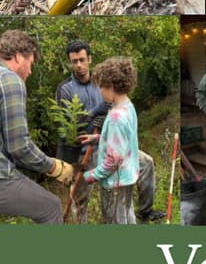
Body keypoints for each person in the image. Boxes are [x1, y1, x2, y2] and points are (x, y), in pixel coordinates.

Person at [56, 40, 163, 223]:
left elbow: (116, 120)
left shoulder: (102, 81)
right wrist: (91, 117)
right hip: (84, 150)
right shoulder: (66, 90)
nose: (79, 65)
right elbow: (67, 129)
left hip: (114, 146)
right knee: (81, 199)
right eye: (74, 61)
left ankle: (144, 211)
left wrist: (104, 123)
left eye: (82, 60)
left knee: (146, 163)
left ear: (90, 59)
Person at [0, 30, 73, 224]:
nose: (30, 72)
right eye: (30, 63)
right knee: (50, 206)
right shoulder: (9, 80)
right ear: (17, 56)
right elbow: (19, 147)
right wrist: (53, 167)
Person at [81, 58, 140, 224]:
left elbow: (113, 161)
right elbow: (123, 140)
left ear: (112, 85)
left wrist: (91, 175)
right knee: (127, 214)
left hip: (115, 182)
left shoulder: (116, 116)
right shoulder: (127, 106)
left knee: (115, 219)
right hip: (128, 176)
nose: (99, 91)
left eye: (101, 86)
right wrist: (98, 138)